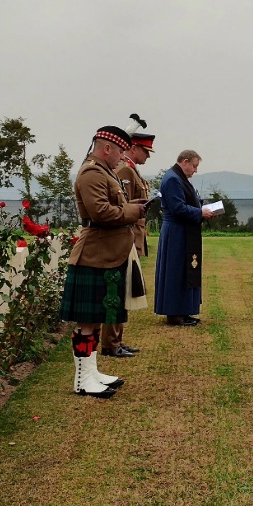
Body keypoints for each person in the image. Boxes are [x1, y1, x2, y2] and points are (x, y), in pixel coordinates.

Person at [60, 125, 147, 398]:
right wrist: (132, 211)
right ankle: (82, 380)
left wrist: (132, 207)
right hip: (94, 256)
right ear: (107, 148)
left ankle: (91, 372)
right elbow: (99, 212)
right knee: (87, 322)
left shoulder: (104, 171)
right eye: (120, 150)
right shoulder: (92, 173)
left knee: (95, 319)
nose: (122, 156)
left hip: (105, 255)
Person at [101, 132, 155, 359]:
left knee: (125, 291)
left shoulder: (130, 169)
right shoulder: (124, 170)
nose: (147, 157)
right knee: (117, 291)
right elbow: (121, 207)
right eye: (145, 151)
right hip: (124, 236)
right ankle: (111, 342)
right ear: (134, 148)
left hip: (131, 235)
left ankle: (117, 340)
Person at [154, 150, 216, 325]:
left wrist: (204, 210)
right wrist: (200, 213)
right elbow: (177, 208)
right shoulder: (173, 179)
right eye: (194, 166)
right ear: (185, 161)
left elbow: (188, 202)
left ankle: (185, 309)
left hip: (184, 230)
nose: (195, 170)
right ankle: (175, 313)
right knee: (176, 271)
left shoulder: (179, 177)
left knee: (186, 270)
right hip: (176, 232)